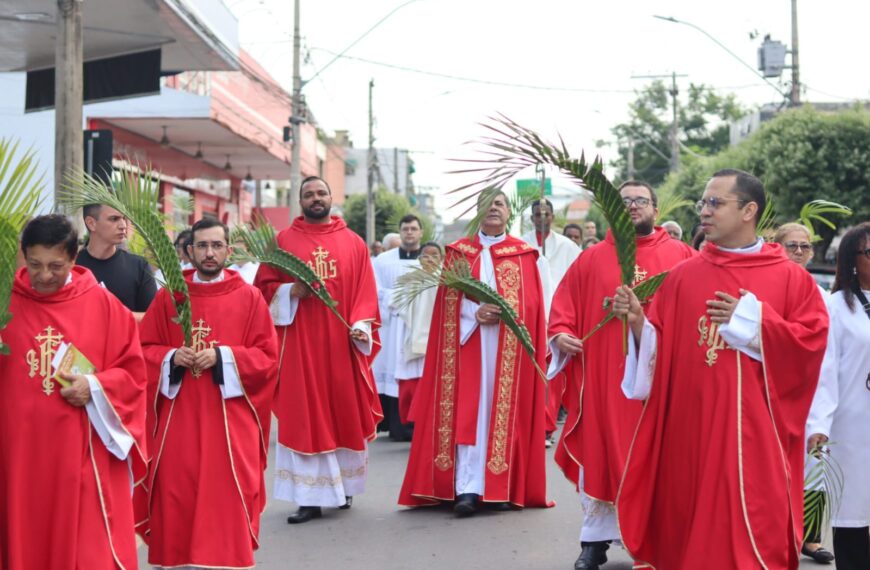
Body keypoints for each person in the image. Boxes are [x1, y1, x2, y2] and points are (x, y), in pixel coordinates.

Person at [614, 169, 829, 570]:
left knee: (752, 534)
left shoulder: (789, 278)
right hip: (691, 432)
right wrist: (639, 323)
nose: (705, 212)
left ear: (749, 210)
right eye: (703, 203)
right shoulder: (682, 277)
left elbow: (811, 344)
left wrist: (752, 321)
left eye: (716, 203)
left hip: (756, 435)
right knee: (692, 531)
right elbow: (660, 352)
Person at [547, 181, 695, 570]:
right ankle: (594, 541)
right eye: (623, 201)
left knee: (660, 460)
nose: (631, 206)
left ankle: (657, 542)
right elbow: (563, 309)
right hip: (604, 382)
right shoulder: (591, 258)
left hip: (662, 382)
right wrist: (561, 335)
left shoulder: (683, 256)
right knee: (603, 456)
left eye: (639, 201)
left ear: (655, 210)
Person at [0, 214, 147, 569]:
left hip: (80, 456)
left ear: (74, 256)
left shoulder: (105, 307)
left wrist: (95, 386)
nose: (45, 275)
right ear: (22, 254)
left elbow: (133, 376)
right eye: (35, 264)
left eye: (56, 265)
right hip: (16, 458)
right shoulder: (4, 304)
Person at [399, 190, 551, 516]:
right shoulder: (458, 254)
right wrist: (475, 315)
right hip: (467, 347)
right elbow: (446, 308)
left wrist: (511, 313)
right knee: (470, 413)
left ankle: (504, 485)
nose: (493, 209)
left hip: (507, 352)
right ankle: (467, 487)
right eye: (487, 204)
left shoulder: (523, 255)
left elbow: (534, 307)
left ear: (509, 212)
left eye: (499, 204)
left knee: (503, 414)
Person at [138, 218, 279, 568]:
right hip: (179, 418)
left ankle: (224, 561)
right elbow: (141, 350)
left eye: (217, 245)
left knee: (228, 490)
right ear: (189, 251)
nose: (210, 253)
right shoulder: (170, 296)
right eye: (202, 246)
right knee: (176, 490)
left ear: (229, 251)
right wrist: (172, 356)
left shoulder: (249, 298)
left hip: (229, 420)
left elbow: (267, 358)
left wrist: (224, 357)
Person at [254, 176, 382, 524]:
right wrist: (289, 292)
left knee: (342, 411)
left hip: (340, 345)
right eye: (308, 194)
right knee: (304, 415)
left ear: (330, 198)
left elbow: (366, 293)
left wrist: (360, 324)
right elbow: (261, 291)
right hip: (299, 347)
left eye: (321, 193)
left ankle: (343, 487)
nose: (315, 198)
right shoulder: (282, 242)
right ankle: (308, 497)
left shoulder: (354, 243)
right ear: (300, 201)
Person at [806, 222, 870, 570]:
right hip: (852, 428)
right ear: (852, 261)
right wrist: (819, 424)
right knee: (853, 514)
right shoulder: (835, 308)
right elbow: (824, 372)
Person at [773, 222, 835, 564]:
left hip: (817, 389)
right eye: (791, 246)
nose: (798, 252)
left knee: (816, 465)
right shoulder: (767, 289)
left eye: (804, 247)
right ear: (777, 247)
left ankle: (809, 538)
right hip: (779, 389)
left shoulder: (824, 296)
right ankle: (780, 532)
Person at [521, 198, 582, 448]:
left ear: (553, 217)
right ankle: (527, 424)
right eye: (538, 214)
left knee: (552, 374)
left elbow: (579, 278)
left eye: (547, 213)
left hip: (557, 315)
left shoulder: (567, 246)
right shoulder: (520, 243)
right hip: (527, 313)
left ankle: (546, 426)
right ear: (532, 217)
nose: (542, 218)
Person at [372, 214, 425, 441]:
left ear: (421, 232)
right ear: (400, 232)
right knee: (393, 371)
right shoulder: (383, 261)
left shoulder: (429, 259)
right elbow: (375, 291)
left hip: (420, 326)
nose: (409, 233)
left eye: (413, 228)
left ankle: (418, 425)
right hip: (393, 325)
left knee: (418, 374)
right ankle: (396, 425)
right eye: (405, 228)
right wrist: (400, 298)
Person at [75, 203, 157, 319]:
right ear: (91, 223)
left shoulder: (138, 266)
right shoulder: (72, 266)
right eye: (114, 219)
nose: (123, 225)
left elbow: (153, 318)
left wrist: (111, 315)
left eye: (123, 218)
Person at [393, 241, 443, 424]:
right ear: (419, 259)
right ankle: (416, 422)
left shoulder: (446, 280)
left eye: (434, 255)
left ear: (441, 259)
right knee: (414, 381)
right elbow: (399, 306)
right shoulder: (410, 279)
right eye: (426, 255)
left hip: (438, 339)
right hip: (413, 336)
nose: (430, 259)